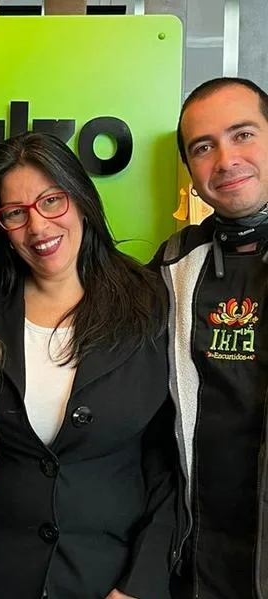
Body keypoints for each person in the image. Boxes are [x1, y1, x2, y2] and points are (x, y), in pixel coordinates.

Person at [0, 131, 177, 599]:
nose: (38, 227)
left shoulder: (152, 301)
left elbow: (168, 458)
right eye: (15, 213)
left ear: (81, 198)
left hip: (109, 578)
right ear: (0, 226)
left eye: (52, 200)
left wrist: (140, 583)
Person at [151, 77, 268, 599]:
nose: (225, 160)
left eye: (243, 134)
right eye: (203, 147)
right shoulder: (172, 265)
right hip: (198, 559)